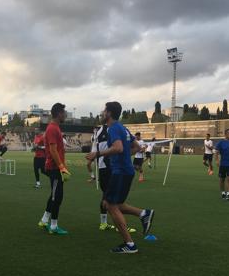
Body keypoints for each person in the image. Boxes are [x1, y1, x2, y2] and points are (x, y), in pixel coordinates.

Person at [86, 101, 154, 254]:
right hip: (126, 170)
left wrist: (97, 154)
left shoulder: (113, 129)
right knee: (113, 203)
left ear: (109, 113)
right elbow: (136, 147)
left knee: (110, 205)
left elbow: (118, 148)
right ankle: (143, 214)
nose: (103, 113)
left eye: (104, 110)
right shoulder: (123, 128)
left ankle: (129, 244)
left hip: (120, 172)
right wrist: (123, 157)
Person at [92, 124, 136, 233]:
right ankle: (120, 225)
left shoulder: (106, 130)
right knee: (112, 200)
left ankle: (104, 223)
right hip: (108, 168)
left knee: (108, 197)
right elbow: (113, 148)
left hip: (107, 167)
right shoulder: (109, 130)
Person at [37, 103, 71, 235]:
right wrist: (61, 167)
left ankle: (44, 221)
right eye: (64, 112)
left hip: (57, 167)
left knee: (54, 195)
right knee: (57, 197)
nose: (65, 114)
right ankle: (53, 226)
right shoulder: (52, 128)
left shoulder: (55, 127)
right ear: (58, 113)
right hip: (55, 168)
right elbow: (52, 149)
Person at [214, 129, 229, 201]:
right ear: (226, 134)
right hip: (223, 164)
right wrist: (217, 160)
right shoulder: (221, 142)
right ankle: (223, 192)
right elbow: (216, 152)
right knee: (222, 179)